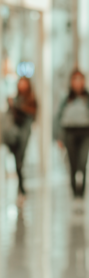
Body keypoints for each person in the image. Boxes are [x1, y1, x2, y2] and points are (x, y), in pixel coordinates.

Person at [55, 68, 89, 201]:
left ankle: (82, 193)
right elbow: (58, 117)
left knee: (83, 162)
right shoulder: (65, 98)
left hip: (85, 131)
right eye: (75, 79)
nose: (77, 82)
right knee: (73, 163)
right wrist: (59, 136)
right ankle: (75, 193)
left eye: (80, 79)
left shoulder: (87, 98)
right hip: (69, 132)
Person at [7, 76, 38, 201]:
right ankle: (20, 186)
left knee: (20, 159)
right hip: (14, 132)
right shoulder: (14, 99)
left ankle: (21, 187)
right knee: (16, 159)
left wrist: (17, 106)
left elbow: (33, 114)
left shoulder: (31, 99)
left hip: (25, 130)